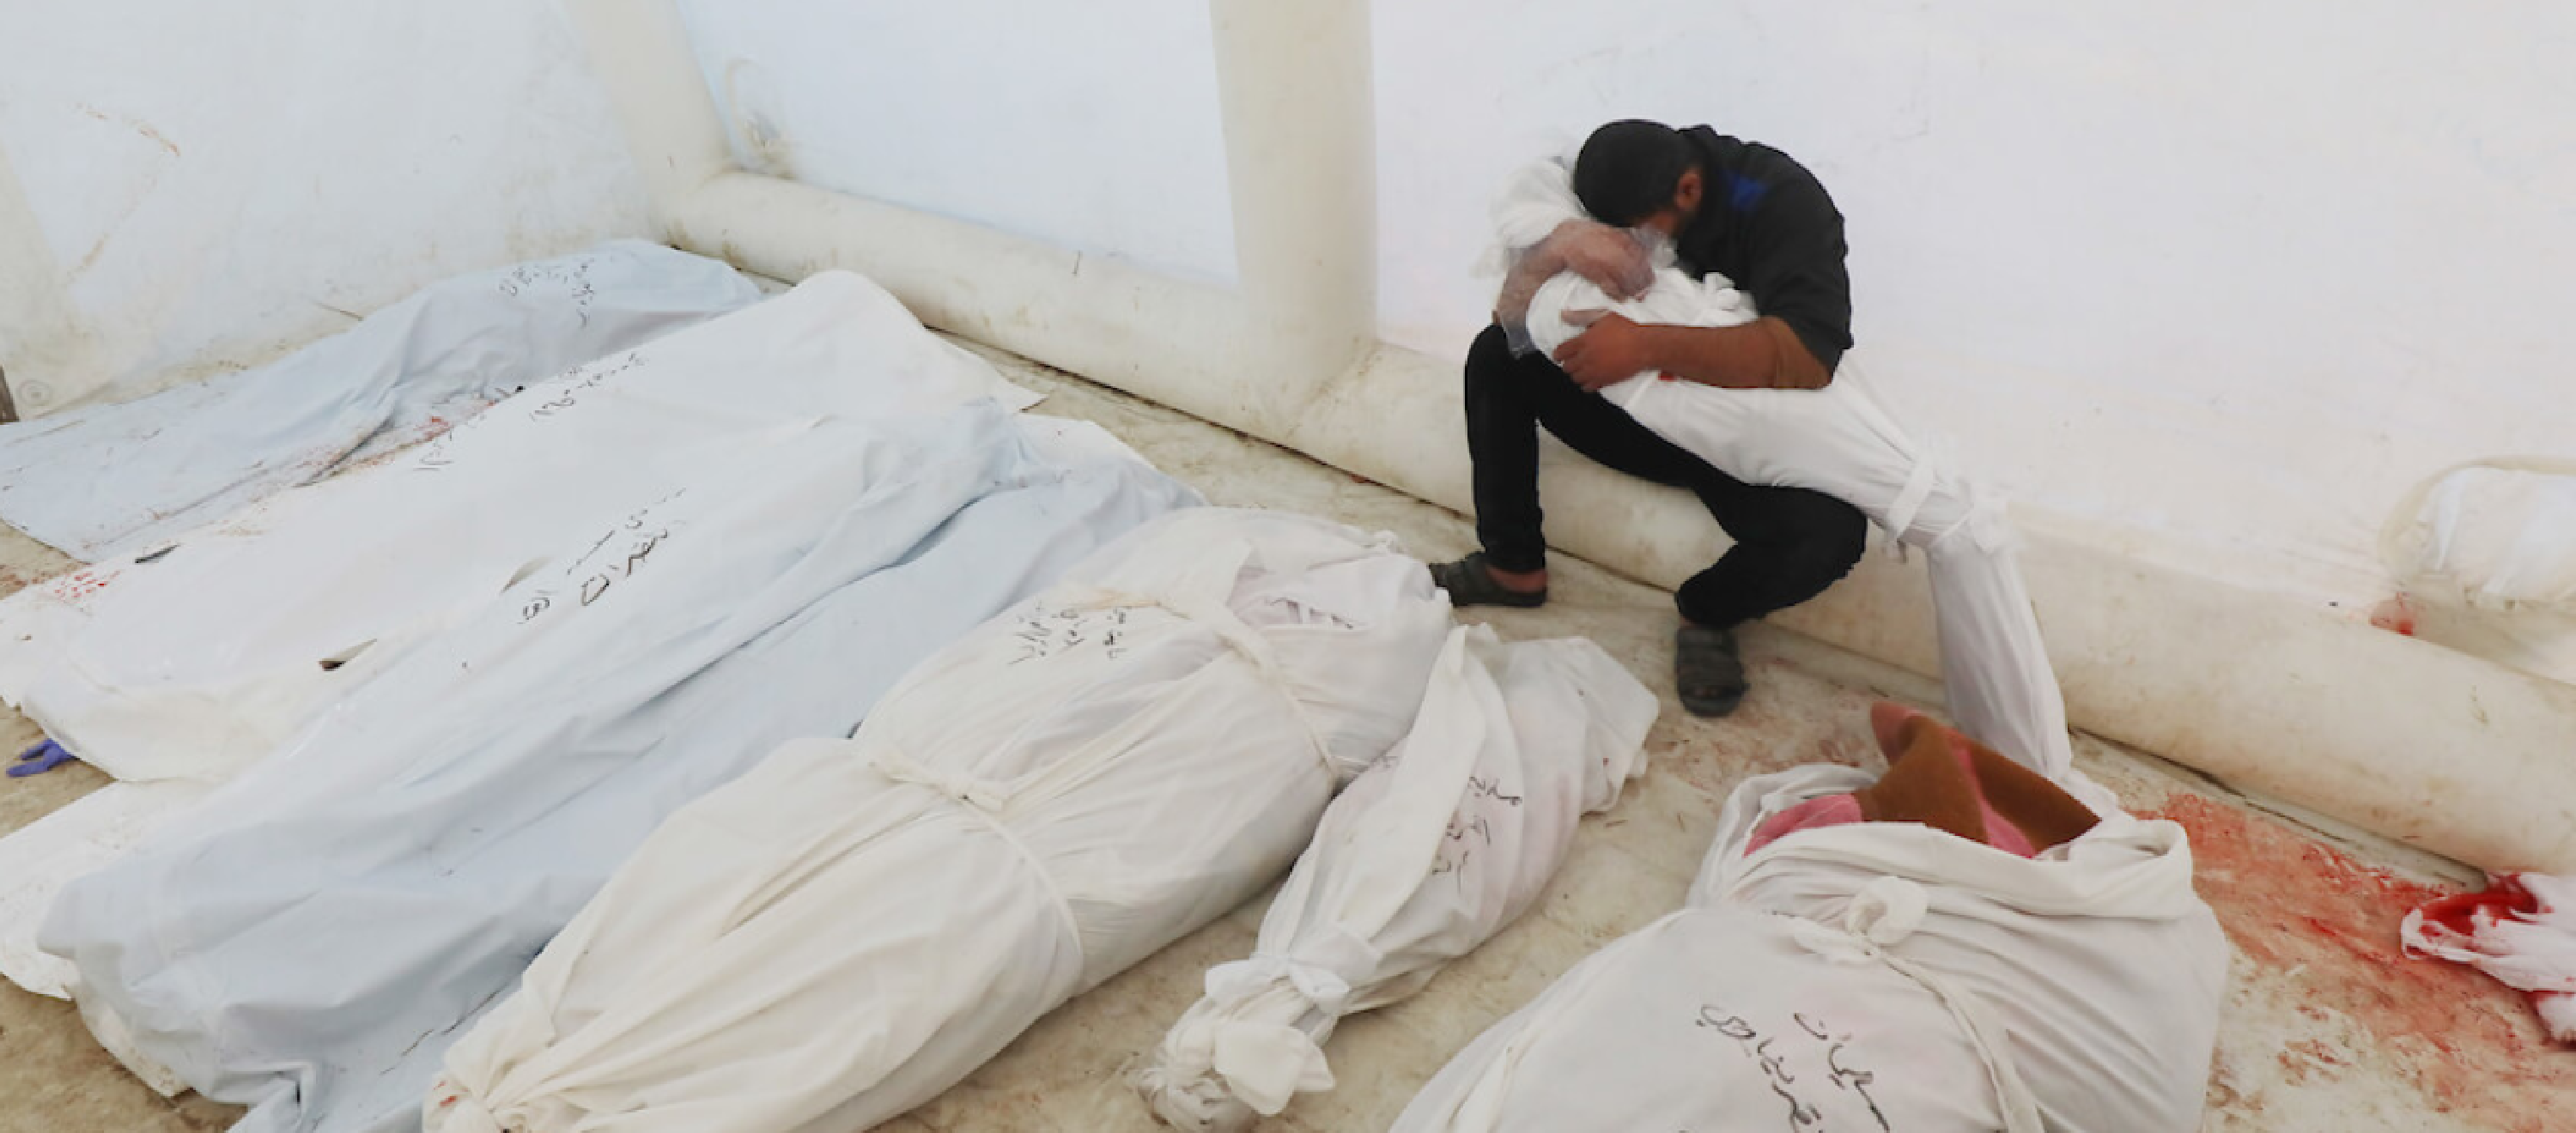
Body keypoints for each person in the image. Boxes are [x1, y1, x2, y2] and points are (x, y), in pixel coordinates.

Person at [1430, 118, 1867, 717]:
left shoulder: (1782, 203)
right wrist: (1562, 243)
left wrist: (1645, 345)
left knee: (1831, 535)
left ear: (1689, 190)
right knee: (1499, 355)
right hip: (1638, 409)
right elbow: (1510, 317)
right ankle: (1512, 565)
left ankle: (1707, 612)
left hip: (1741, 441)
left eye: (1644, 237)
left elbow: (1808, 359)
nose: (1636, 257)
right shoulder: (1615, 179)